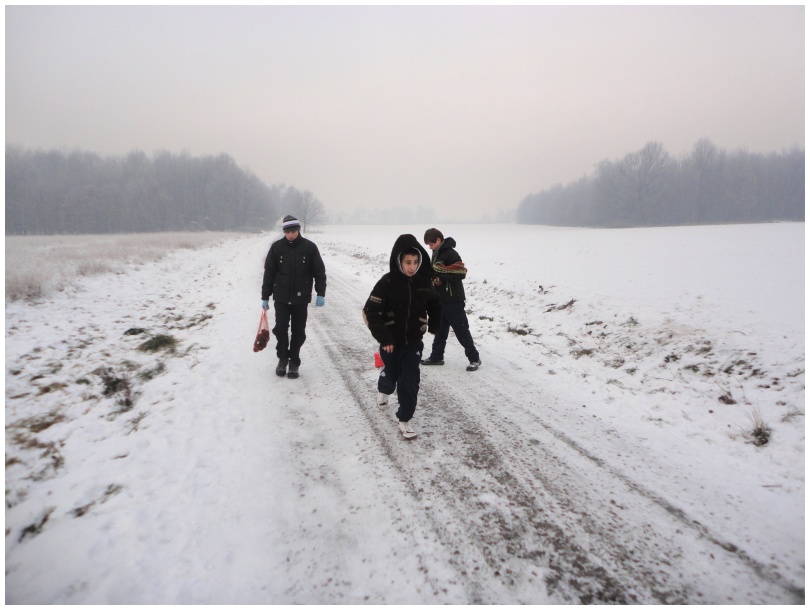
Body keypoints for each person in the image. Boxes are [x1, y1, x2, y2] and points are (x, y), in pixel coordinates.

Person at [363, 234, 441, 440]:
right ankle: (384, 388)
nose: (412, 267)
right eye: (408, 262)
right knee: (391, 376)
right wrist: (385, 338)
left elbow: (435, 303)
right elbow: (371, 311)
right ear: (399, 261)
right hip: (390, 342)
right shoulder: (387, 282)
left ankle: (405, 419)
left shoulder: (423, 282)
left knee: (410, 381)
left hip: (413, 341)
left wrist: (434, 324)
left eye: (415, 262)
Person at [261, 215, 326, 379]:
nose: (290, 235)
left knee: (298, 331)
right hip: (281, 297)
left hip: (301, 299)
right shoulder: (276, 248)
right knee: (281, 328)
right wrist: (265, 296)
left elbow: (319, 271)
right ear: (284, 232)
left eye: (293, 231)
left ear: (298, 230)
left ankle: (294, 362)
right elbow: (269, 273)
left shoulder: (309, 248)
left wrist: (320, 293)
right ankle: (283, 358)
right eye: (287, 232)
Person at [421, 228, 481, 371]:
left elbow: (460, 273)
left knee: (461, 330)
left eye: (431, 244)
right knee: (440, 330)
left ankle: (474, 359)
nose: (430, 247)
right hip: (441, 299)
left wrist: (441, 278)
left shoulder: (451, 253)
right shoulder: (436, 253)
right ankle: (436, 356)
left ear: (438, 240)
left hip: (454, 300)